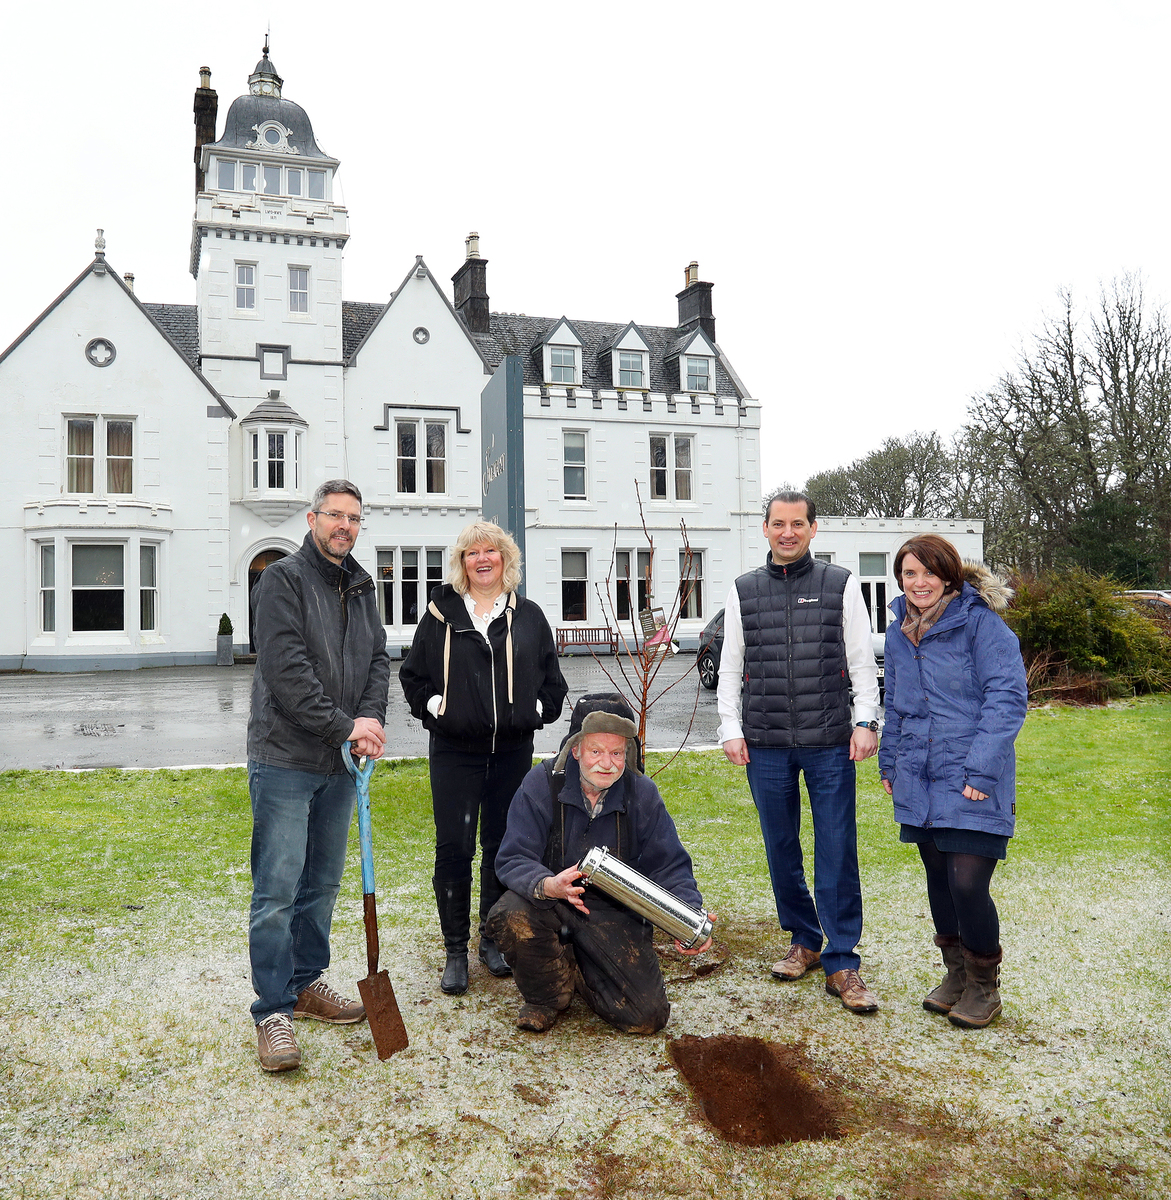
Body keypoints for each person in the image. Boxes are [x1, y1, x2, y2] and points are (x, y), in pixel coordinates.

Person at [717, 489, 882, 1013]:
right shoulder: (743, 590)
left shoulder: (841, 585)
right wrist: (729, 727)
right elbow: (729, 667)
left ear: (814, 529)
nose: (788, 532)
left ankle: (842, 961)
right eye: (778, 523)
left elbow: (860, 661)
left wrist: (864, 721)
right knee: (780, 847)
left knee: (836, 847)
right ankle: (804, 940)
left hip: (830, 742)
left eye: (798, 523)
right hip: (764, 744)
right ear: (764, 529)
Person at [247, 479, 391, 1072]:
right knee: (277, 889)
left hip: (340, 763)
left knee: (323, 884)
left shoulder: (362, 585)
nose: (345, 526)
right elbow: (286, 672)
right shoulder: (281, 580)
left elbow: (379, 659)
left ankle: (307, 983)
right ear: (312, 519)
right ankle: (273, 1008)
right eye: (335, 515)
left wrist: (372, 718)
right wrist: (345, 727)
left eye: (354, 518)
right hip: (284, 758)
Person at [399, 521, 568, 996]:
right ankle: (455, 949)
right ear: (462, 562)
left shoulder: (529, 616)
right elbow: (413, 679)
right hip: (455, 755)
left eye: (490, 550)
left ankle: (491, 940)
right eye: (472, 552)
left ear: (505, 559)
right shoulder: (439, 616)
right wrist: (439, 709)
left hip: (512, 754)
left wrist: (531, 712)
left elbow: (553, 685)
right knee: (455, 849)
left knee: (502, 847)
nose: (482, 559)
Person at [486, 698, 712, 1034]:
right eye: (596, 751)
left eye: (617, 753)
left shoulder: (643, 795)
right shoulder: (542, 784)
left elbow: (670, 865)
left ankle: (581, 967)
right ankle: (547, 996)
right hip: (552, 905)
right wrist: (549, 885)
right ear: (576, 750)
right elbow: (511, 857)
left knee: (647, 1017)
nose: (607, 764)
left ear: (627, 754)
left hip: (615, 917)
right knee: (509, 912)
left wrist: (688, 915)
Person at [878, 534, 1027, 1028]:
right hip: (919, 776)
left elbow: (1005, 701)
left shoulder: (983, 626)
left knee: (967, 882)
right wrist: (890, 763)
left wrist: (981, 770)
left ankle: (985, 984)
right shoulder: (900, 631)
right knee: (940, 881)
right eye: (908, 573)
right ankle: (956, 975)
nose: (918, 583)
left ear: (949, 575)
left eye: (928, 572)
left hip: (971, 775)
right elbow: (896, 704)